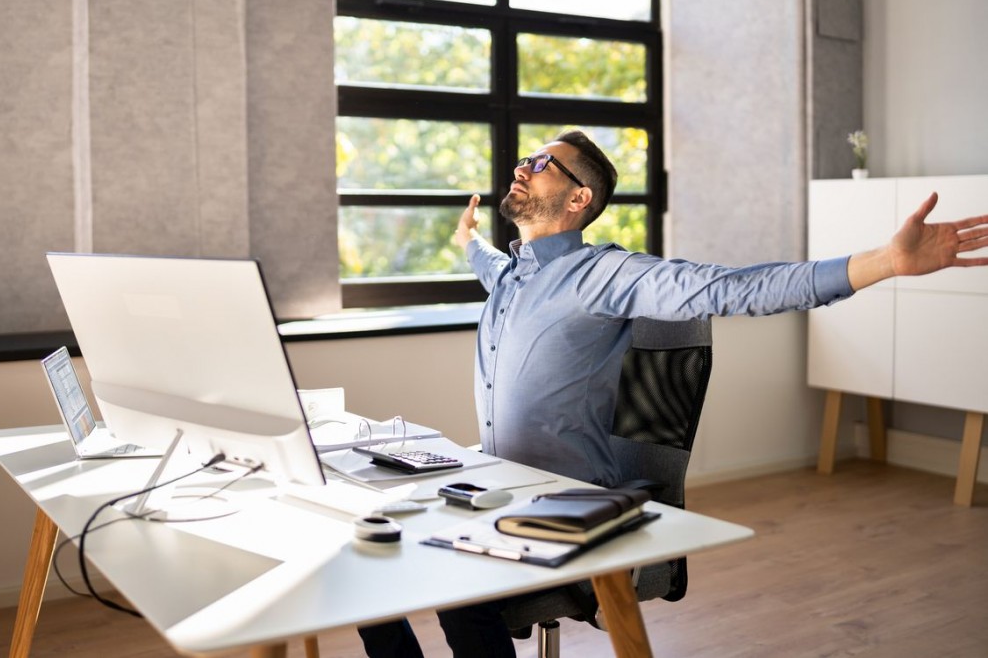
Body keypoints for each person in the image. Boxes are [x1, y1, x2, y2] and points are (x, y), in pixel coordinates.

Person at [358, 129, 988, 658]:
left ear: (579, 198)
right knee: (367, 562)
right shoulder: (513, 276)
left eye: (542, 163)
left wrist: (882, 262)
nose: (523, 167)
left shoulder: (605, 275)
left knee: (452, 590)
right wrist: (469, 241)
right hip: (496, 486)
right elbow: (490, 265)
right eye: (525, 157)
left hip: (565, 503)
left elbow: (735, 288)